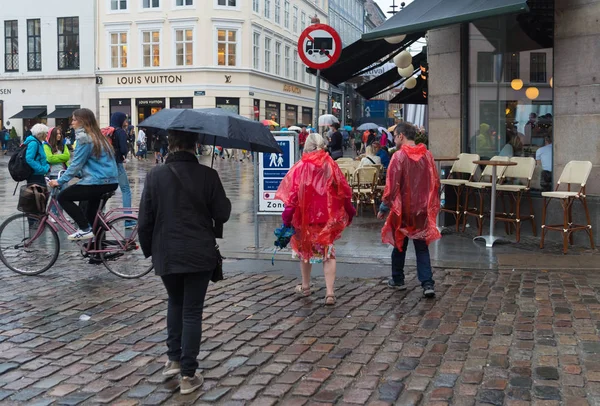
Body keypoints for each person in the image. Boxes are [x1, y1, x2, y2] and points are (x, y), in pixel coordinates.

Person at [138, 130, 231, 395]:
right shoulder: (207, 175)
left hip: (167, 251)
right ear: (195, 145)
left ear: (170, 144)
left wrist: (151, 252)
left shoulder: (155, 175)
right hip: (199, 253)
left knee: (175, 302)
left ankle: (173, 359)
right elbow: (222, 214)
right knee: (191, 310)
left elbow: (145, 220)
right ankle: (189, 376)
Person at [276, 133, 355, 305]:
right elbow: (344, 192)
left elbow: (292, 197)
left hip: (305, 221)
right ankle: (330, 293)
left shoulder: (300, 167)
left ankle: (305, 286)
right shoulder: (331, 166)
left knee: (305, 253)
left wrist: (286, 219)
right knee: (328, 255)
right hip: (327, 220)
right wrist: (350, 211)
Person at [377, 123, 441, 298]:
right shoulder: (427, 156)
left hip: (403, 209)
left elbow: (392, 185)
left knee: (400, 244)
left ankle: (398, 279)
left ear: (401, 136)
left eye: (395, 135)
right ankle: (427, 283)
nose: (394, 139)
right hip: (421, 209)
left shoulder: (399, 157)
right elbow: (435, 182)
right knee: (421, 247)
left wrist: (384, 207)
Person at [48, 108, 118, 240]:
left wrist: (60, 181)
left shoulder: (84, 138)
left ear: (82, 121)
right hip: (110, 181)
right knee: (91, 215)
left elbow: (76, 164)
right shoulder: (99, 137)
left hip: (98, 182)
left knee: (63, 197)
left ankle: (84, 229)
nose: (72, 123)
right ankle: (97, 252)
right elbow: (94, 163)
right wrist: (79, 174)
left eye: (74, 120)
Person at [110, 113, 133, 225]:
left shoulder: (109, 131)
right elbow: (124, 149)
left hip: (107, 163)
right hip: (117, 163)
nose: (126, 121)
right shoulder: (120, 132)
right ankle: (128, 220)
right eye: (125, 119)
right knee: (126, 190)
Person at [24, 124, 51, 188]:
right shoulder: (34, 143)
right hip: (35, 175)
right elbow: (29, 158)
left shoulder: (38, 142)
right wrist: (41, 169)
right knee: (38, 195)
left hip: (38, 174)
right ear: (41, 134)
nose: (47, 135)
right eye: (46, 133)